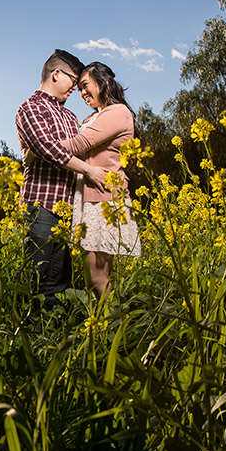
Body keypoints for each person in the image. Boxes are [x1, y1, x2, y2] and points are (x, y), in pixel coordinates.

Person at [16, 50, 107, 311]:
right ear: (56, 74)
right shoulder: (31, 107)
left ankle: (51, 335)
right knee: (38, 274)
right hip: (42, 203)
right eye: (74, 81)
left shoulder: (70, 117)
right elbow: (47, 147)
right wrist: (89, 172)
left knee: (60, 277)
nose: (76, 89)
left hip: (69, 206)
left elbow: (79, 148)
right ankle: (28, 332)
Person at [61, 61, 142, 299]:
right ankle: (105, 328)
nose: (83, 93)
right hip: (89, 198)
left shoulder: (117, 112)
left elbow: (79, 145)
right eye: (79, 89)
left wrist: (40, 148)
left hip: (103, 201)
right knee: (94, 279)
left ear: (104, 82)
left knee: (97, 278)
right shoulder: (96, 115)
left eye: (86, 85)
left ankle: (116, 330)